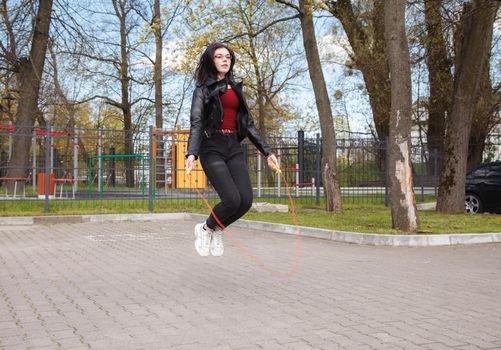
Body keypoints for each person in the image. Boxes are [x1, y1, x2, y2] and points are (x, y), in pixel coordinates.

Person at [185, 43, 279, 257]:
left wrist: (268, 152)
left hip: (233, 148)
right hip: (212, 148)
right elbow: (197, 122)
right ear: (211, 60)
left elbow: (249, 125)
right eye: (219, 56)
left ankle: (217, 228)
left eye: (228, 56)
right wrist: (192, 152)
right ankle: (206, 228)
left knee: (245, 201)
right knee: (231, 200)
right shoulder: (202, 89)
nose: (225, 60)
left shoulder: (236, 89)